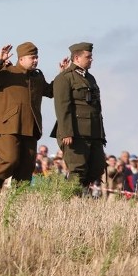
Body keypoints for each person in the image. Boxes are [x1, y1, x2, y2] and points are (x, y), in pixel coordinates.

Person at [0, 42, 66, 188]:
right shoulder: (7, 72)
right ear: (21, 59)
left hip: (30, 127)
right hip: (8, 126)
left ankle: (18, 196)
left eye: (37, 57)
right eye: (32, 57)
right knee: (10, 158)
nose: (36, 60)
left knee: (27, 166)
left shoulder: (37, 77)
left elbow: (50, 91)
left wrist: (62, 74)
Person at [51, 42, 106, 195]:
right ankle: (68, 200)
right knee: (78, 169)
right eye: (88, 57)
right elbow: (62, 107)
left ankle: (79, 197)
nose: (91, 59)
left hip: (93, 133)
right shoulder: (65, 78)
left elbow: (96, 108)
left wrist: (101, 135)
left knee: (97, 167)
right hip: (75, 133)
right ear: (76, 57)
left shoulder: (91, 78)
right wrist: (66, 132)